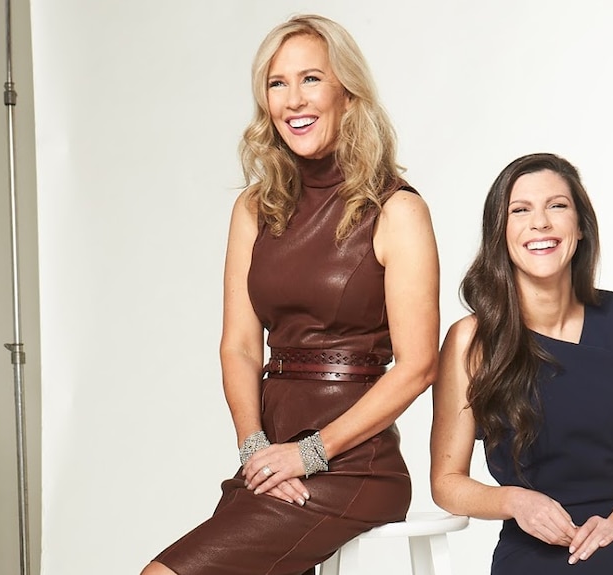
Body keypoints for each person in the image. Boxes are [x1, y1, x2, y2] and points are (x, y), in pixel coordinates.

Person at [141, 14, 439, 575]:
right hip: (270, 458)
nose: (293, 100)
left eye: (311, 79)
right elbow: (240, 347)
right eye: (278, 84)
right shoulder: (255, 208)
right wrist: (255, 448)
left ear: (347, 94)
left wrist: (311, 453)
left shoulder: (397, 210)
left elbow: (419, 365)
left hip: (354, 467)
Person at [430, 153, 613, 574]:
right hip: (534, 551)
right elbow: (446, 482)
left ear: (580, 226)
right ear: (500, 232)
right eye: (520, 210)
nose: (541, 223)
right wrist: (515, 501)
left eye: (557, 206)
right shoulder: (470, 340)